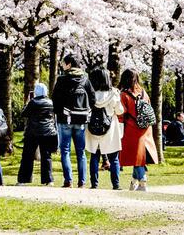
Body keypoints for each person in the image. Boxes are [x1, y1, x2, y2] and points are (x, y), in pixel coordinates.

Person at [52, 54, 94, 188]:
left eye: (64, 63)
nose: (62, 65)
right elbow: (92, 98)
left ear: (69, 64)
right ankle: (82, 182)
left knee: (65, 151)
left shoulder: (62, 79)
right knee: (81, 152)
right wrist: (86, 111)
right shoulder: (85, 79)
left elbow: (55, 99)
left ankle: (68, 180)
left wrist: (59, 113)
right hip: (81, 120)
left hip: (65, 119)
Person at [118, 69, 157, 191]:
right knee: (138, 156)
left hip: (132, 128)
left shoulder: (124, 95)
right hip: (146, 128)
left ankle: (142, 180)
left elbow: (121, 113)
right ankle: (134, 181)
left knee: (137, 157)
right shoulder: (144, 92)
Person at [86, 67, 123, 190]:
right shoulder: (114, 93)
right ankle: (116, 184)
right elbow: (120, 111)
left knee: (94, 156)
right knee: (114, 158)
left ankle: (94, 184)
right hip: (110, 128)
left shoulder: (90, 94)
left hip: (94, 128)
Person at [17, 82, 57, 186]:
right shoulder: (50, 102)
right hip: (47, 132)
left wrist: (26, 103)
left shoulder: (33, 102)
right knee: (46, 156)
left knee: (27, 156)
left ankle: (23, 180)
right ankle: (48, 180)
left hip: (32, 132)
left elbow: (24, 113)